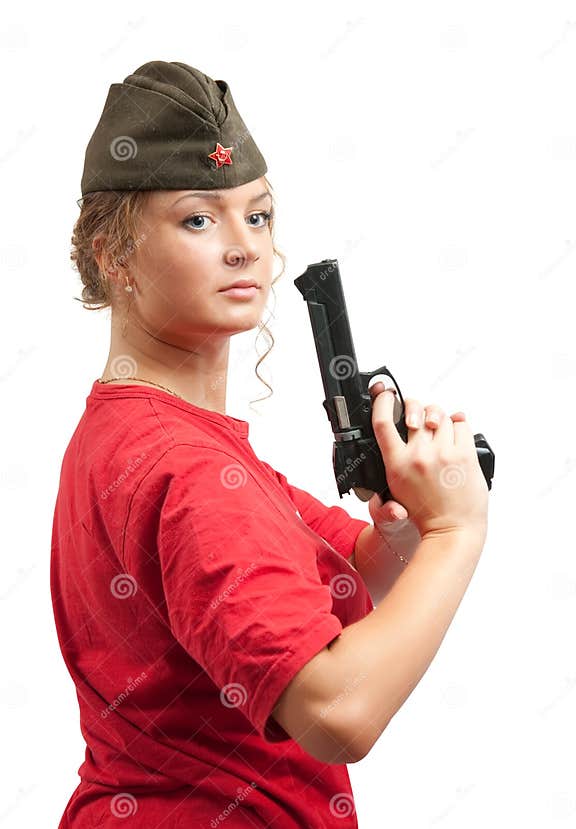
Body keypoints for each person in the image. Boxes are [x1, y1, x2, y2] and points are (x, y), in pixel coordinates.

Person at [51, 60, 489, 829]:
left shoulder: (142, 432)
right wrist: (457, 531)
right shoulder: (185, 466)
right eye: (198, 218)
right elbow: (337, 712)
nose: (242, 246)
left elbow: (355, 564)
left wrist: (405, 522)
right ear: (110, 252)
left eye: (257, 216)